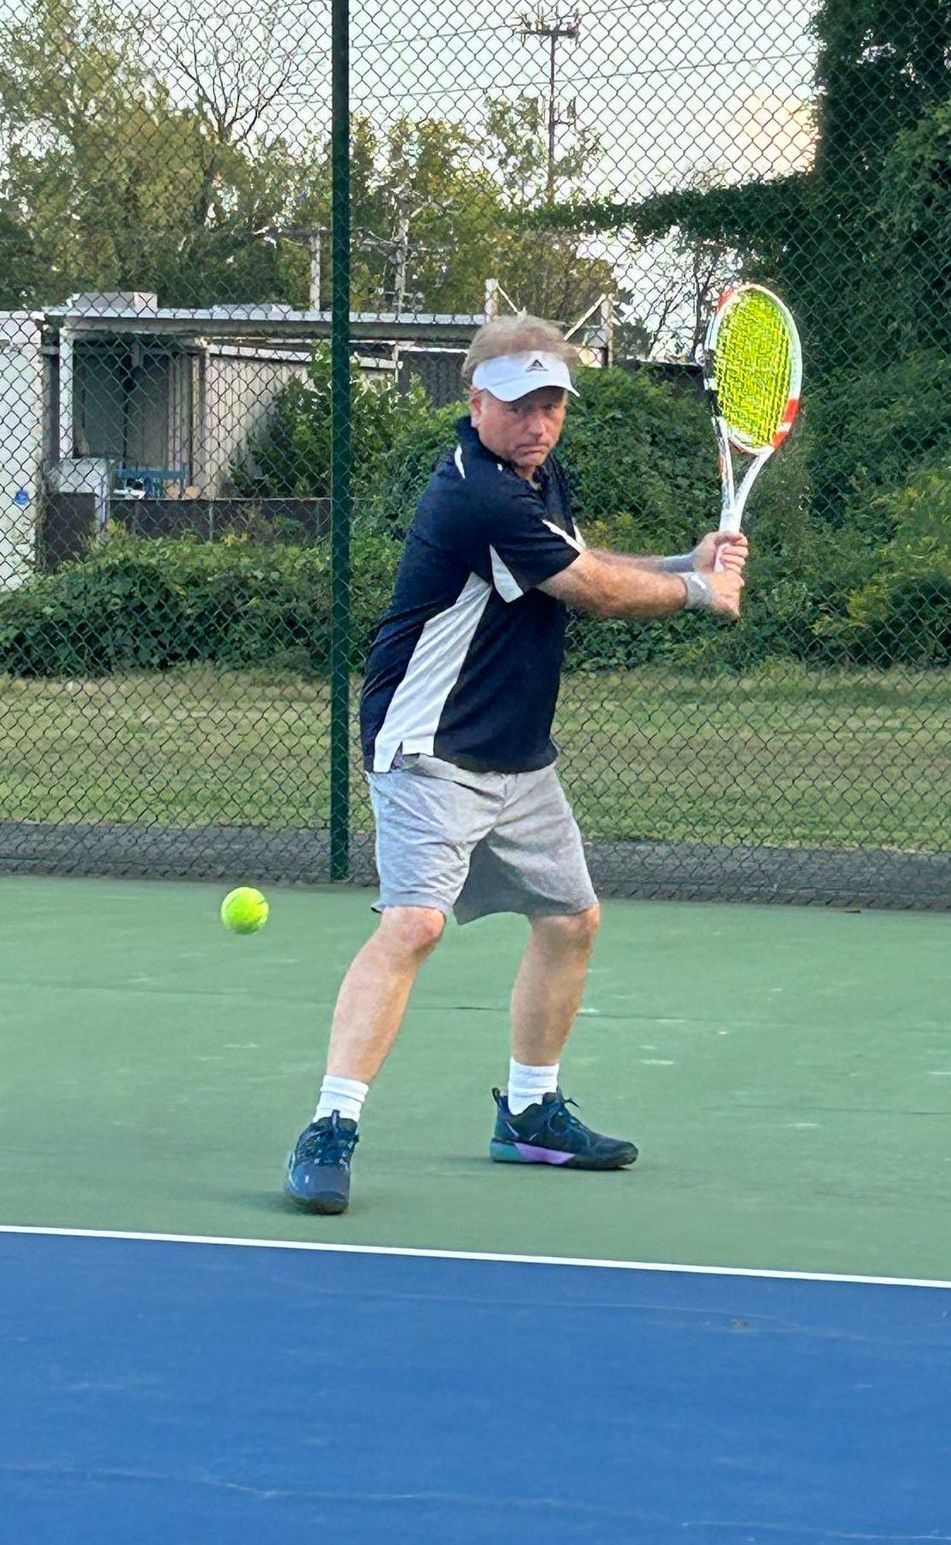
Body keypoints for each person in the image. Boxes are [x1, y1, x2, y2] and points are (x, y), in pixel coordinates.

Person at [284, 314, 746, 1214]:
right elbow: (593, 594)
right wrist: (695, 591)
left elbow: (573, 560)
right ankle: (330, 1125)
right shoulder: (475, 494)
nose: (537, 422)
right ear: (474, 401)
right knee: (415, 925)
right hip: (430, 748)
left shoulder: (531, 476)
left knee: (571, 920)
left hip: (515, 755)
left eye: (550, 404)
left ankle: (530, 1112)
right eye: (517, 404)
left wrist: (676, 561)